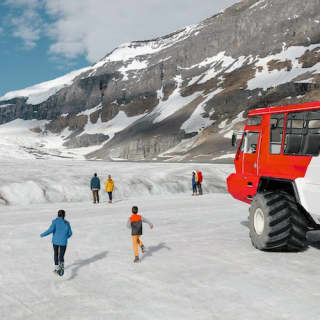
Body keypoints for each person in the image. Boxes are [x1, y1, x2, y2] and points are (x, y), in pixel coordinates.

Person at [40, 209, 72, 275]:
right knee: (61, 255)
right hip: (63, 242)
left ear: (57, 214)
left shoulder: (55, 222)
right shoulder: (67, 223)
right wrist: (65, 237)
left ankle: (57, 268)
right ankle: (61, 267)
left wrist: (42, 234)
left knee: (56, 254)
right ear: (64, 215)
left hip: (55, 241)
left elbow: (50, 230)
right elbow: (70, 233)